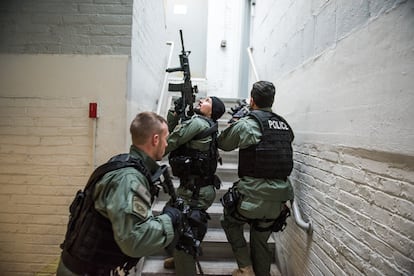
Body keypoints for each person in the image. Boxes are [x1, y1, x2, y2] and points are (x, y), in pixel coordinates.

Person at [57, 111, 184, 276]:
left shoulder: (124, 164)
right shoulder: (129, 179)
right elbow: (134, 240)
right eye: (166, 138)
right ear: (155, 139)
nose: (167, 144)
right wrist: (169, 218)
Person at [218, 81, 295, 276]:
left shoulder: (248, 123)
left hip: (251, 199)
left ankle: (245, 267)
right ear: (272, 100)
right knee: (260, 239)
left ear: (252, 100)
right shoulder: (284, 125)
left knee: (229, 221)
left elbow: (223, 143)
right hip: (278, 201)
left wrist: (238, 119)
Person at [164, 96, 226, 275]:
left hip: (195, 191)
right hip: (198, 188)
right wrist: (175, 114)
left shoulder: (198, 123)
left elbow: (171, 141)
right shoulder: (208, 126)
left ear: (212, 111)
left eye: (206, 101)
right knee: (177, 222)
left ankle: (184, 262)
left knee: (183, 233)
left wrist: (150, 153)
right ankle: (179, 259)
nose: (200, 101)